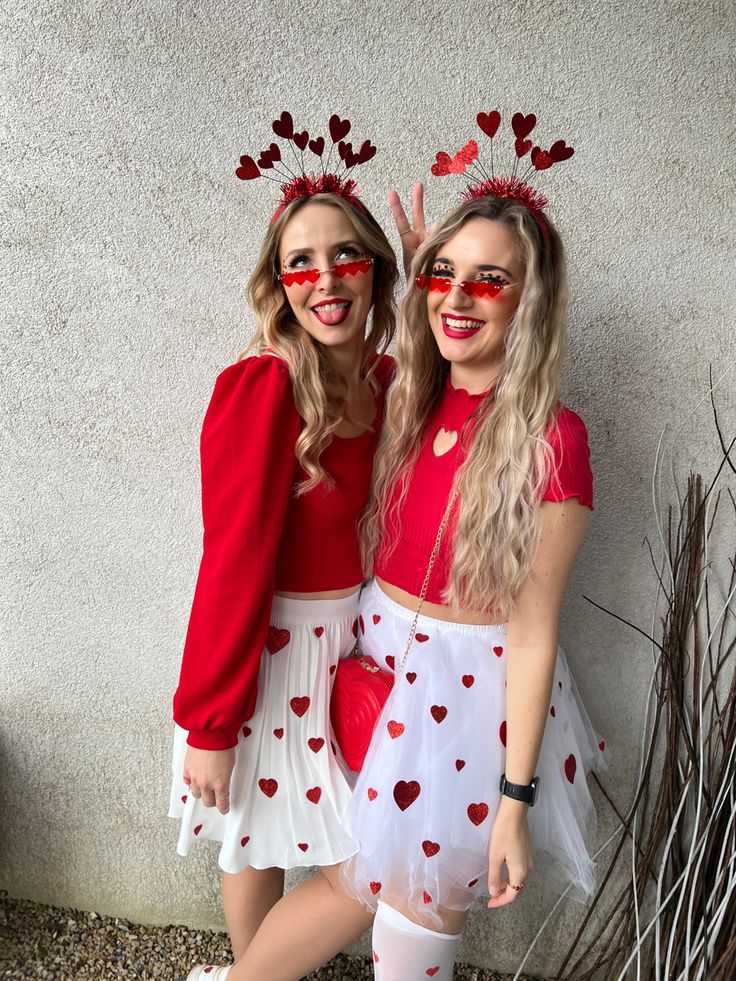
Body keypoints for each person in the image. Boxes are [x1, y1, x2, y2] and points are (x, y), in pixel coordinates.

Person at [225, 114, 605, 981]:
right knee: (347, 879)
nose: (459, 298)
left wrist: (516, 802)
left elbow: (536, 627)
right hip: (369, 660)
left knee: (415, 914)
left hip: (465, 703)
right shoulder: (407, 397)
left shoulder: (554, 441)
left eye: (490, 281)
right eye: (445, 275)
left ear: (532, 299)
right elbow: (380, 338)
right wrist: (413, 284)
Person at [167, 113, 399, 981]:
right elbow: (231, 561)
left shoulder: (383, 380)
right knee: (261, 834)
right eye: (299, 261)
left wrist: (419, 284)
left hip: (345, 645)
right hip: (265, 653)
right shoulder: (263, 387)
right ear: (278, 281)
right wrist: (211, 721)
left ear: (376, 267)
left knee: (286, 836)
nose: (324, 279)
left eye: (347, 255)